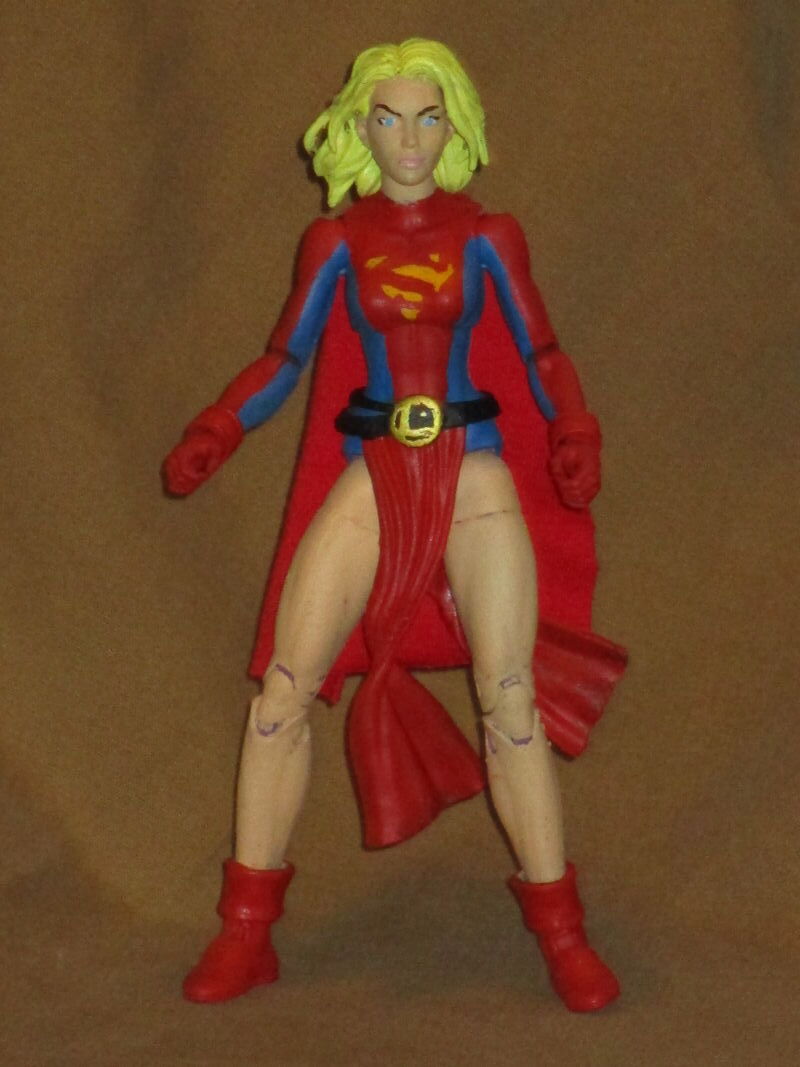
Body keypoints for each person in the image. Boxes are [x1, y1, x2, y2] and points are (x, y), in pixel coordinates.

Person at [164, 38, 624, 1013]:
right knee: (283, 690)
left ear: (454, 125)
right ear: (359, 129)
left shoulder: (489, 234)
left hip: (475, 469)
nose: (408, 138)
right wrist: (219, 424)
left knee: (508, 697)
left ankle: (563, 932)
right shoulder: (334, 241)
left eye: (426, 117)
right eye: (388, 117)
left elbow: (542, 350)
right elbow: (284, 359)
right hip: (374, 472)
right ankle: (245, 930)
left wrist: (575, 425)